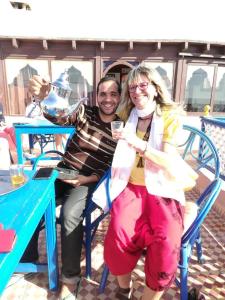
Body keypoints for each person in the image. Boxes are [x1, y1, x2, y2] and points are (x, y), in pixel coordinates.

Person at [93, 65, 198, 300]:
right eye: (132, 87)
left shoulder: (169, 117)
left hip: (162, 189)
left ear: (155, 88)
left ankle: (149, 297)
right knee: (118, 234)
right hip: (130, 187)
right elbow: (95, 113)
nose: (137, 91)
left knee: (165, 243)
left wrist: (137, 144)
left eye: (143, 85)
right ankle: (124, 289)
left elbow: (169, 162)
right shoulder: (126, 116)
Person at [27, 75, 121, 300]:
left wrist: (84, 180)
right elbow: (61, 117)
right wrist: (44, 97)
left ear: (120, 97)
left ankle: (70, 279)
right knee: (33, 198)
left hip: (87, 180)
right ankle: (26, 257)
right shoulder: (85, 112)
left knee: (70, 214)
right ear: (96, 96)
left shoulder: (122, 126)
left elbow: (113, 166)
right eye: (103, 94)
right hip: (63, 171)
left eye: (113, 94)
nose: (107, 99)